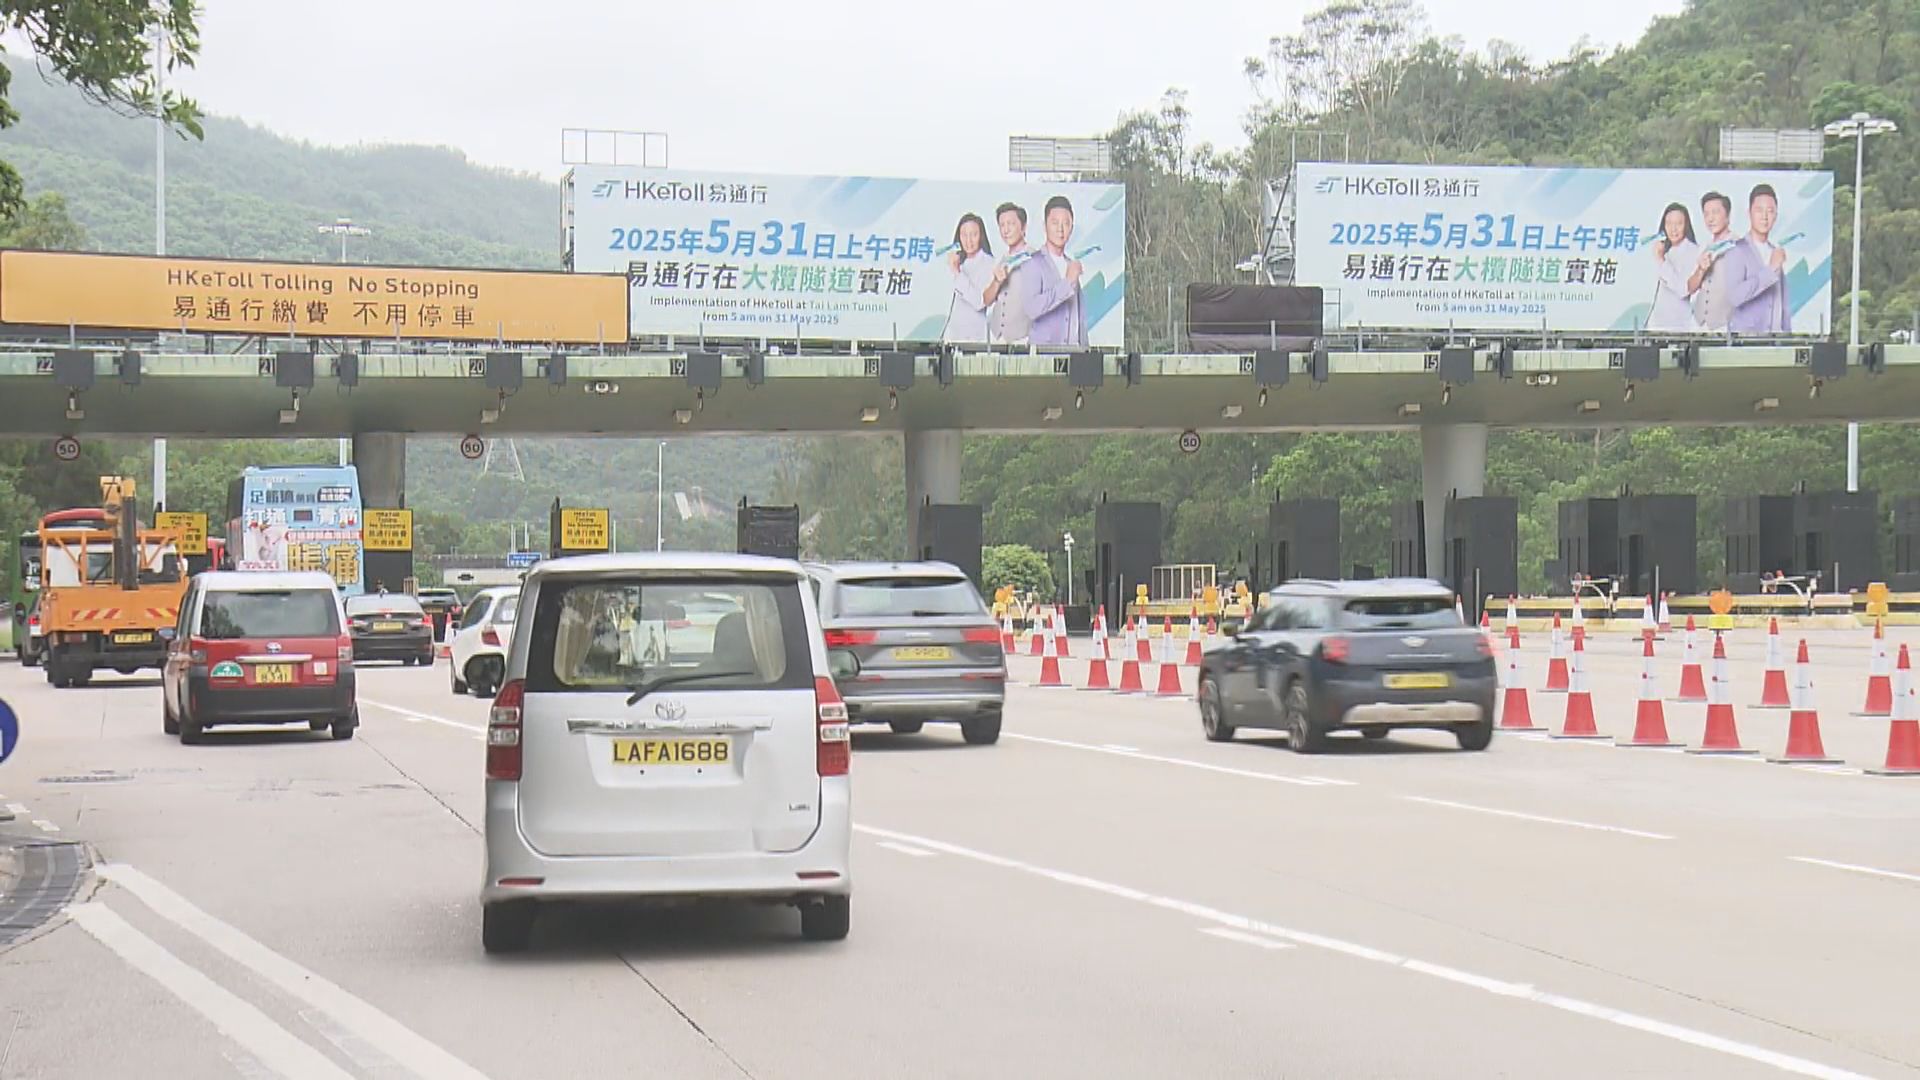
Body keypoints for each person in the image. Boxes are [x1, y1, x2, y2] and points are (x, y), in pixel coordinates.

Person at [1720, 183, 1792, 335]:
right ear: (1749, 213)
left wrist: (1787, 338)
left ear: (1776, 216)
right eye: (1759, 210)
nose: (1765, 217)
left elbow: (1782, 305)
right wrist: (1770, 270)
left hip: (1776, 345)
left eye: (1770, 211)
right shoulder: (1736, 250)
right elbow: (1734, 297)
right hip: (1745, 344)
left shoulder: (1775, 252)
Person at [1020, 195, 1087, 346]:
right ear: (1045, 226)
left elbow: (1078, 317)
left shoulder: (1071, 264)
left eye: (1066, 223)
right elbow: (1031, 308)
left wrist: (1085, 351)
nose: (1060, 229)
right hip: (1044, 357)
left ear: (1072, 228)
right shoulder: (1032, 262)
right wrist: (1067, 283)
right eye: (1055, 223)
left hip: (1074, 355)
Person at [942, 213, 998, 344]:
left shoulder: (989, 263)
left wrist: (957, 273)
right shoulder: (956, 261)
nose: (969, 240)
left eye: (974, 234)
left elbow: (980, 302)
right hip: (952, 336)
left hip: (975, 338)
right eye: (964, 235)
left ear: (981, 236)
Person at [1647, 202, 1702, 333]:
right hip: (1656, 326)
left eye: (1678, 223)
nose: (1673, 229)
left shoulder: (1693, 251)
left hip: (1677, 327)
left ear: (1686, 225)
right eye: (1669, 224)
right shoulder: (1664, 249)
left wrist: (1661, 260)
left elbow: (1683, 289)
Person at [1687, 191, 1737, 331]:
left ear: (1727, 216)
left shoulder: (1739, 246)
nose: (1710, 219)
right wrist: (1701, 270)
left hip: (1726, 325)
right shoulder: (1704, 247)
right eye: (1706, 214)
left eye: (1715, 212)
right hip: (1699, 323)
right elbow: (1690, 287)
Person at [988, 203, 1036, 345]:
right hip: (996, 337)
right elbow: (988, 299)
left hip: (1023, 338)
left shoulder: (1035, 258)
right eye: (1002, 225)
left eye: (1010, 224)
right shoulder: (1001, 260)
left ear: (1023, 227)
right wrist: (996, 282)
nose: (1006, 230)